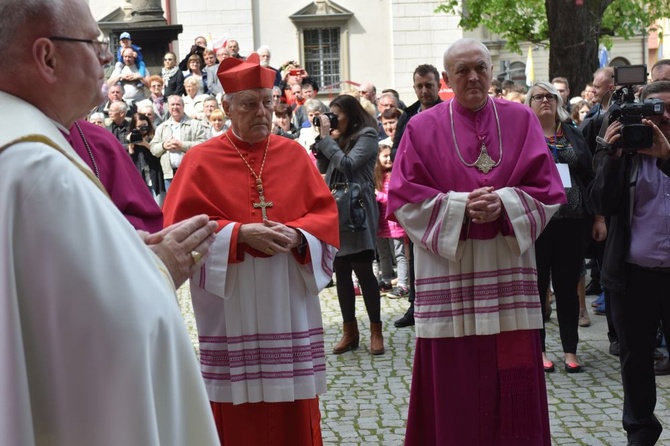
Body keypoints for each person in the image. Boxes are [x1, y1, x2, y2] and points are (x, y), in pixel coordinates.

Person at [0, 0, 221, 444]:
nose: (106, 57)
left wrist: (126, 254)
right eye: (92, 42)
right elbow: (112, 333)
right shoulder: (37, 170)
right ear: (46, 57)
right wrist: (159, 266)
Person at [387, 38, 566, 445]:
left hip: (506, 270)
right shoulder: (420, 126)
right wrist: (458, 209)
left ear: (491, 72)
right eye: (462, 70)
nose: (473, 77)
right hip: (450, 272)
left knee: (512, 377)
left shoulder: (521, 120)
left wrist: (504, 203)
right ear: (447, 78)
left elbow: (549, 190)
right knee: (455, 381)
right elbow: (402, 198)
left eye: (480, 68)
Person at [162, 52, 339, 446]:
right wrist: (239, 235)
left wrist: (298, 237)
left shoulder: (294, 154)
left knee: (294, 412)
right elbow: (178, 233)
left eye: (267, 102)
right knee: (236, 419)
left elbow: (325, 220)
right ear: (226, 107)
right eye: (249, 104)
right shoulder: (198, 161)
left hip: (287, 301)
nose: (262, 112)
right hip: (231, 306)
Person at [590, 80, 670, 446]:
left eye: (668, 111)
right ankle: (640, 432)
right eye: (656, 109)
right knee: (635, 362)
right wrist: (609, 153)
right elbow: (601, 203)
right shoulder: (628, 151)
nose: (663, 117)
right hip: (632, 276)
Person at [526, 81, 597, 373]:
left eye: (550, 96)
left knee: (567, 288)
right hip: (538, 223)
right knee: (537, 288)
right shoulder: (524, 135)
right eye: (538, 96)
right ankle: (538, 349)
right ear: (529, 103)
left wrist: (598, 217)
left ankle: (571, 350)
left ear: (558, 101)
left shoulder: (571, 132)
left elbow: (589, 172)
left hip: (572, 221)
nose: (545, 100)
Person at [312, 94, 384, 355]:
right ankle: (349, 332)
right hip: (336, 209)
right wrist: (322, 141)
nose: (333, 119)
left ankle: (376, 331)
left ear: (350, 113)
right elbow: (324, 165)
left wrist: (328, 142)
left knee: (363, 271)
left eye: (336, 114)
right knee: (341, 270)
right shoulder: (336, 137)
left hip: (358, 209)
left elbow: (349, 164)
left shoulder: (367, 134)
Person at [391, 63, 442, 328]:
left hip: (442, 192)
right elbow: (396, 153)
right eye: (419, 86)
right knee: (414, 252)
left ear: (438, 86)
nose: (424, 91)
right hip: (416, 194)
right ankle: (416, 304)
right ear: (414, 87)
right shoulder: (407, 116)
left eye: (429, 86)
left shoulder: (448, 112)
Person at [150, 95, 207, 192]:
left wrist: (182, 145)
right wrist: (163, 146)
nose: (175, 107)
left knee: (190, 203)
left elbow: (203, 146)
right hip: (169, 175)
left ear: (183, 106)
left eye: (178, 104)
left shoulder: (195, 124)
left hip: (190, 173)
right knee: (174, 205)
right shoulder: (161, 127)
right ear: (168, 107)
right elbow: (153, 149)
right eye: (172, 104)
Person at [374, 141, 409, 298]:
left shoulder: (395, 175)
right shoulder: (378, 177)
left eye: (390, 156)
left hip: (395, 223)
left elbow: (392, 199)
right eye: (385, 156)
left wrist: (377, 195)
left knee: (400, 255)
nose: (388, 159)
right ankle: (386, 279)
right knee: (383, 254)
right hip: (382, 224)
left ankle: (403, 283)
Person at [127, 112, 165, 201]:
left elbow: (158, 153)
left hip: (155, 175)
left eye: (145, 125)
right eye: (139, 126)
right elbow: (131, 160)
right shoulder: (133, 138)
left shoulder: (155, 136)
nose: (143, 128)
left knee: (159, 203)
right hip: (142, 176)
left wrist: (145, 144)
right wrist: (130, 143)